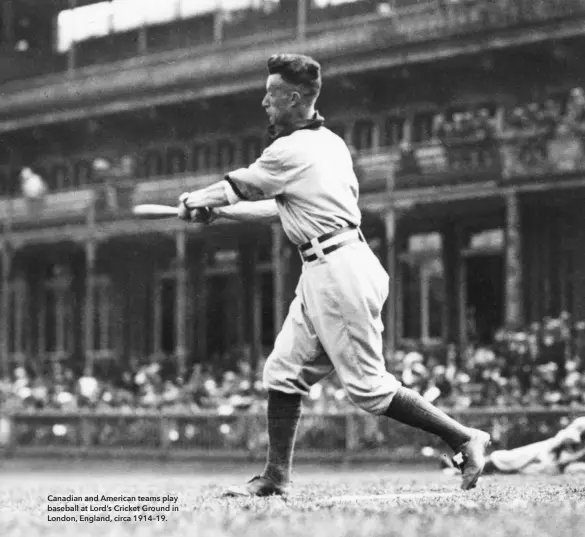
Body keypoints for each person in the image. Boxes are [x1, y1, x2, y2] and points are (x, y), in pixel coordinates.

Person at [178, 53, 491, 496]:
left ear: (293, 97)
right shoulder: (329, 143)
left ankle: (463, 437)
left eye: (271, 94)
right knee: (283, 372)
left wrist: (197, 199)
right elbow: (277, 206)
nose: (264, 102)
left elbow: (239, 186)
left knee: (369, 389)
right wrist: (217, 212)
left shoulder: (292, 149)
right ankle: (275, 477)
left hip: (338, 270)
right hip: (327, 265)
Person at [440, 417, 585, 476]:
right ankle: (456, 462)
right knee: (502, 458)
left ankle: (456, 468)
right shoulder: (581, 423)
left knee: (507, 469)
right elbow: (565, 439)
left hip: (550, 464)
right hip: (545, 452)